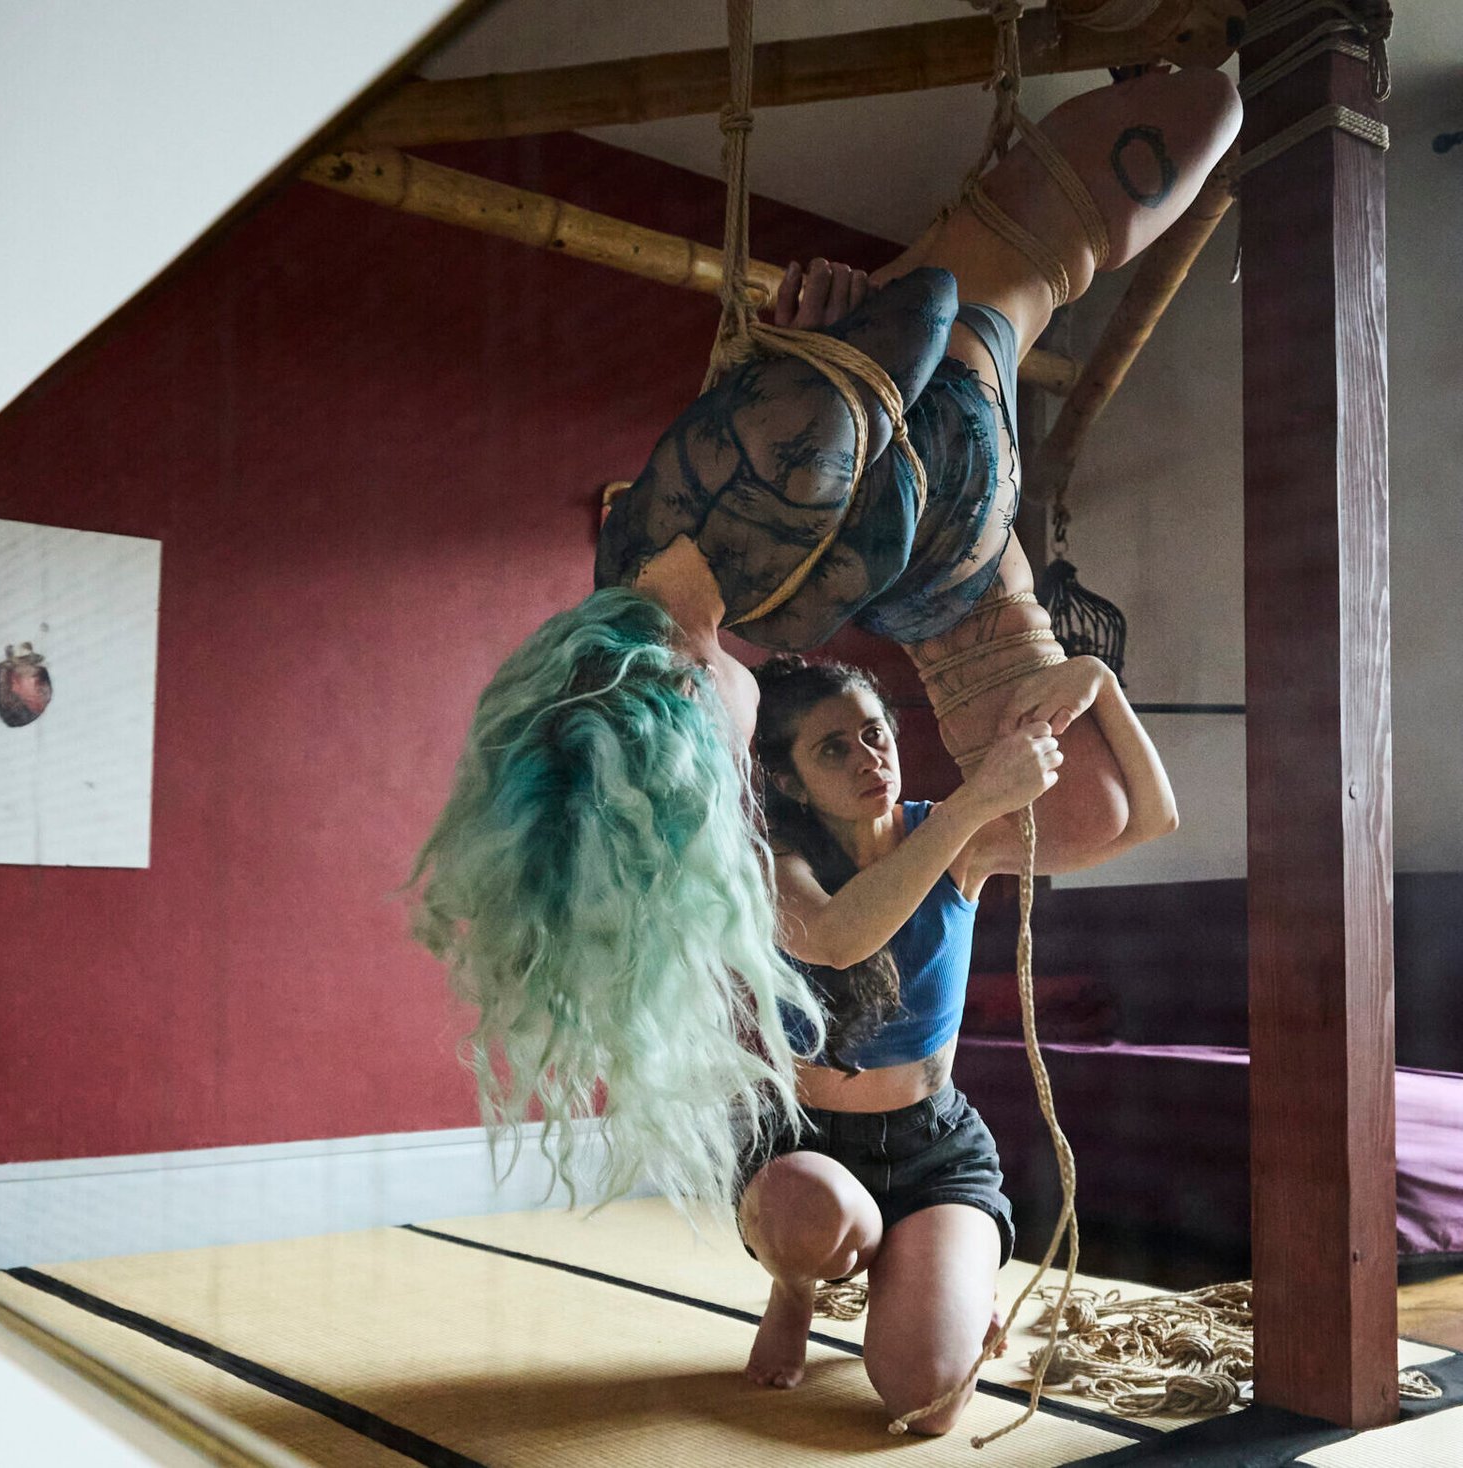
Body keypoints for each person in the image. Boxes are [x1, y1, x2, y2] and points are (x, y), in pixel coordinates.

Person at [413, 67, 1240, 1210]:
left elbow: (925, 307)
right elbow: (847, 927)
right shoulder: (677, 605)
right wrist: (1082, 680)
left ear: (683, 701)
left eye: (724, 765)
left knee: (1205, 110)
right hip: (941, 560)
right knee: (1086, 813)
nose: (743, 765)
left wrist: (832, 346)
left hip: (956, 424)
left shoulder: (754, 525)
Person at [738, 653, 1174, 1432]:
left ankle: (945, 1277)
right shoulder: (772, 864)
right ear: (791, 781)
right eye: (833, 749)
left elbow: (1147, 819)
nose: (868, 758)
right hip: (805, 1146)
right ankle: (795, 1292)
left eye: (875, 734)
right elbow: (838, 938)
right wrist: (975, 801)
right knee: (809, 1210)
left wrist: (1100, 682)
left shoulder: (961, 837)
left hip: (931, 1147)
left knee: (928, 1405)